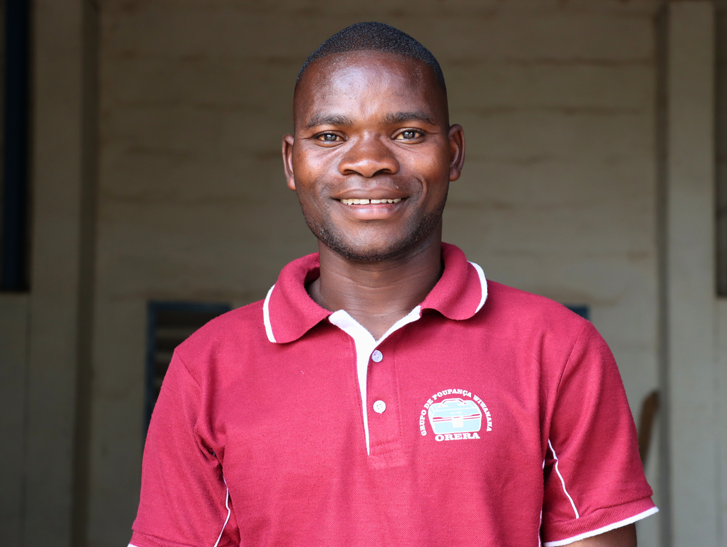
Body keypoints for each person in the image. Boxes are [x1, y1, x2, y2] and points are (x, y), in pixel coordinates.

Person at [129, 22, 657, 547]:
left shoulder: (558, 349)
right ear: (292, 162)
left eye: (407, 133)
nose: (368, 161)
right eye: (330, 136)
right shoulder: (206, 368)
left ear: (453, 153)